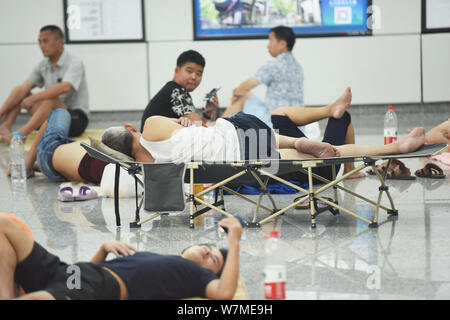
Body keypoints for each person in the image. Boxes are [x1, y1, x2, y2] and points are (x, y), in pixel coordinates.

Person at [102, 88, 426, 174]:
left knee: (301, 150)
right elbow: (196, 124)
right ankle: (304, 136)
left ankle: (396, 148)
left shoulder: (146, 170)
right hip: (235, 129)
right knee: (275, 124)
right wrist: (189, 122)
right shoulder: (152, 126)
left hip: (236, 163)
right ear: (131, 129)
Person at [0, 215, 242, 300]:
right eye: (207, 247)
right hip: (68, 272)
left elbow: (223, 292)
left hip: (94, 286)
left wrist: (234, 242)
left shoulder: (193, 276)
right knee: (4, 225)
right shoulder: (158, 258)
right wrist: (103, 249)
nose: (209, 251)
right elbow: (83, 276)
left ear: (210, 273)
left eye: (214, 260)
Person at [0, 25, 90, 144]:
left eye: (45, 41)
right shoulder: (44, 64)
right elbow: (22, 88)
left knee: (50, 101)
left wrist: (35, 97)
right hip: (50, 117)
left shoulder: (75, 62)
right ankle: (5, 126)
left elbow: (65, 87)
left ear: (59, 41)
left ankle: (22, 134)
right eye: (39, 42)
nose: (41, 46)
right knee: (21, 91)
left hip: (76, 119)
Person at [8, 108, 106, 184]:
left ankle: (26, 167)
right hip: (65, 171)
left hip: (50, 151)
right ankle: (36, 166)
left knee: (60, 112)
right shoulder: (112, 169)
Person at [140, 50, 219, 132]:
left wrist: (207, 114)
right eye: (189, 71)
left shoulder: (172, 89)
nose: (194, 77)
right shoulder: (177, 92)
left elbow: (196, 125)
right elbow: (200, 128)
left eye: (198, 73)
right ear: (177, 70)